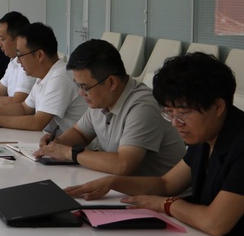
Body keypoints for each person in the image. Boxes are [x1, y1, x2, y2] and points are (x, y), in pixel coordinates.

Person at [66, 52, 244, 236]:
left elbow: (215, 223)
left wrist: (165, 204)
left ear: (218, 106)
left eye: (184, 113)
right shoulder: (206, 134)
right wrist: (113, 182)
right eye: (169, 113)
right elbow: (166, 183)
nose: (176, 123)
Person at [34, 39, 185, 176]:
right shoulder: (101, 99)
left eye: (85, 87)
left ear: (111, 82)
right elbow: (80, 133)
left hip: (160, 193)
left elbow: (123, 165)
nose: (81, 93)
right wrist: (56, 144)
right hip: (122, 185)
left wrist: (70, 153)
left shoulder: (143, 107)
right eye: (78, 86)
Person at [0, 22, 85, 133]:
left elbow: (37, 122)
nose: (18, 61)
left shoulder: (60, 77)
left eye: (20, 55)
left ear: (39, 55)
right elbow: (24, 108)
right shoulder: (44, 75)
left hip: (71, 145)